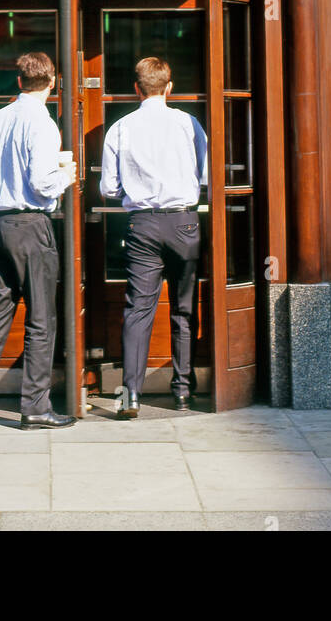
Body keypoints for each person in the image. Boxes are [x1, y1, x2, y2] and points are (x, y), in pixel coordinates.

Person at [0, 51, 77, 431]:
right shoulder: (43, 123)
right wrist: (68, 174)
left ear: (18, 81)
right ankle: (35, 408)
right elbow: (41, 182)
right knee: (41, 319)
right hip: (29, 224)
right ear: (52, 83)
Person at [101, 56, 209, 419]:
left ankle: (131, 394)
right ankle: (181, 390)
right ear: (169, 87)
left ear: (136, 89)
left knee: (138, 309)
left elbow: (109, 188)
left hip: (143, 225)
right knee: (183, 308)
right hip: (185, 223)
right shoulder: (188, 124)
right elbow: (206, 176)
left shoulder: (121, 128)